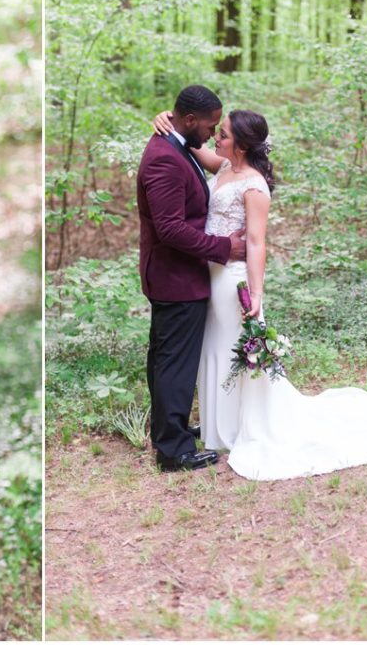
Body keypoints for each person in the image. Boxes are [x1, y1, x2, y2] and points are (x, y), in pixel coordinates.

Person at [153, 107, 367, 480]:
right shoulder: (225, 167)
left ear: (240, 145)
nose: (215, 138)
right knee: (216, 349)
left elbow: (257, 243)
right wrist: (168, 120)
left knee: (231, 348)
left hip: (234, 281)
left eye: (222, 134)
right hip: (211, 273)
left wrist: (256, 293)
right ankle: (219, 428)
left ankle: (242, 428)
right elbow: (193, 145)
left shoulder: (254, 185)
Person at [137, 85, 247, 473]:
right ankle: (173, 450)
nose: (212, 132)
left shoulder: (177, 144)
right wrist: (224, 248)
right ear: (189, 120)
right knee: (173, 363)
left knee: (167, 359)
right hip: (175, 276)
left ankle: (172, 429)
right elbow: (169, 228)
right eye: (209, 125)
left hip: (177, 275)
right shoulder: (164, 158)